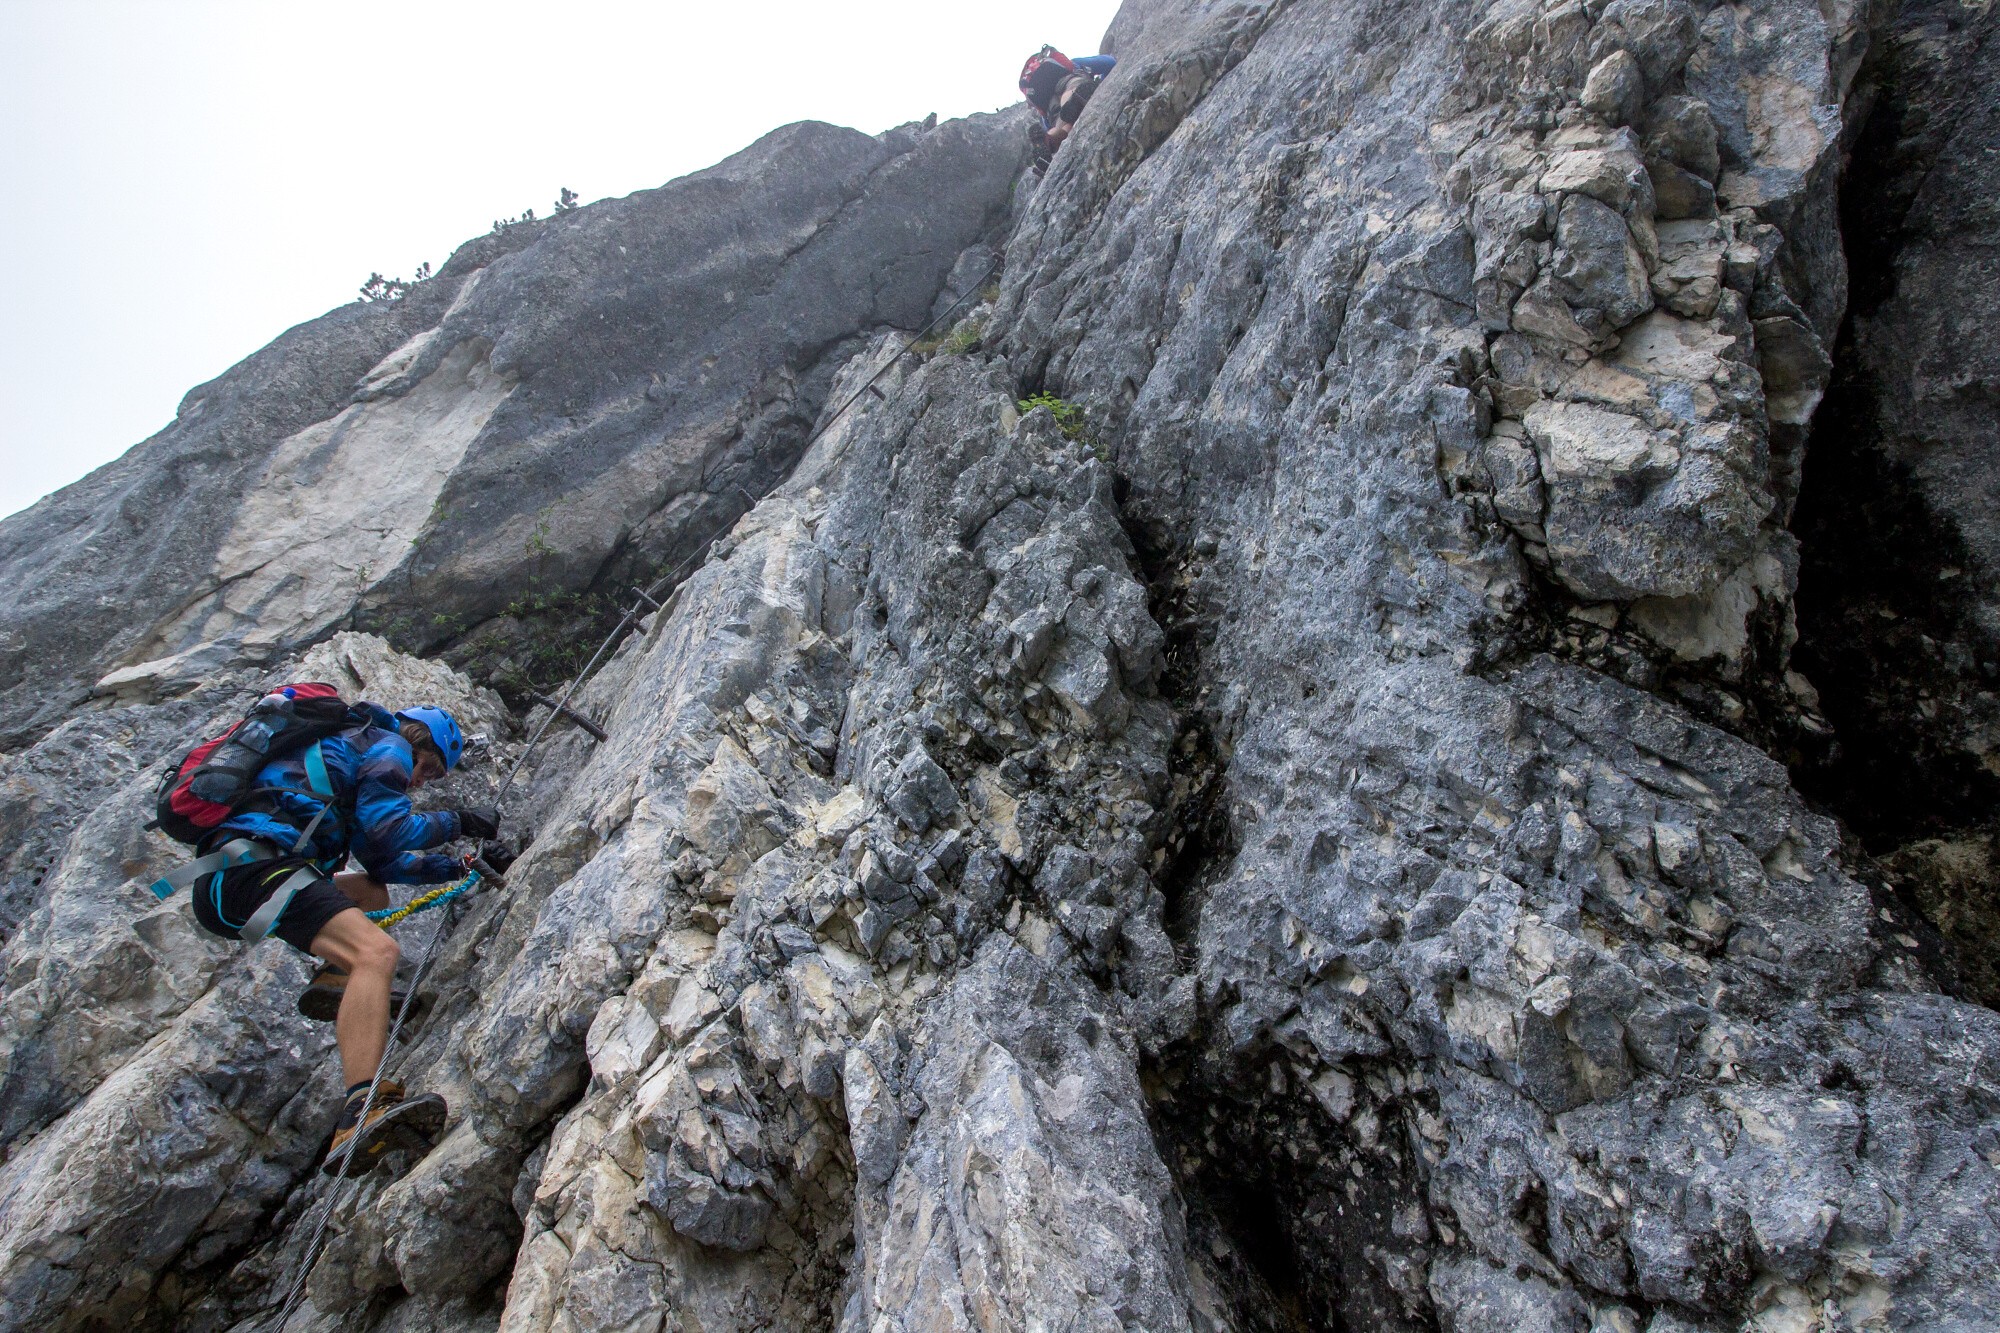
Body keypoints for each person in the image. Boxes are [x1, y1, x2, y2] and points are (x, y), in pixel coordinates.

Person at [187, 702, 500, 1175]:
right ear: (418, 740)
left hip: (233, 878)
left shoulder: (355, 753)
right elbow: (391, 828)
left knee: (370, 890)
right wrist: (460, 822)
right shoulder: (391, 744)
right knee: (377, 952)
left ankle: (338, 979)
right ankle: (359, 1110)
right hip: (257, 867)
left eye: (432, 778)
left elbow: (382, 859)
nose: (421, 781)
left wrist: (458, 867)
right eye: (428, 767)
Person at [1019, 46, 1117, 171]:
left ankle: (1049, 140)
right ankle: (1076, 98)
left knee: (1064, 126)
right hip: (1069, 82)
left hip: (1050, 107)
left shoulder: (1041, 98)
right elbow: (1109, 62)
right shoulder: (1074, 63)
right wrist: (1104, 83)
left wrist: (1049, 134)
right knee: (1071, 90)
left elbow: (1047, 123)